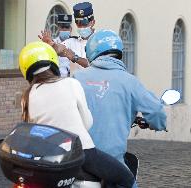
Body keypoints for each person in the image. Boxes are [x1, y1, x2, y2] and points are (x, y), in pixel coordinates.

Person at [19, 41, 135, 187]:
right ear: (53, 62)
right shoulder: (70, 84)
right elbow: (87, 123)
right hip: (82, 152)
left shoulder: (27, 97)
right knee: (125, 177)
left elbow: (32, 132)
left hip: (49, 158)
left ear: (25, 70)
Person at [73, 29, 167, 187]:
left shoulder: (77, 78)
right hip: (111, 163)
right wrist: (158, 124)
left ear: (91, 52)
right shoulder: (130, 81)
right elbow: (156, 111)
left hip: (78, 159)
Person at [39, 2, 96, 75]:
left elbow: (94, 66)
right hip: (75, 85)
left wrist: (75, 57)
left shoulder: (100, 41)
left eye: (84, 22)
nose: (81, 26)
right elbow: (59, 49)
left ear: (92, 22)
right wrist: (52, 45)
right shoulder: (72, 41)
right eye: (78, 23)